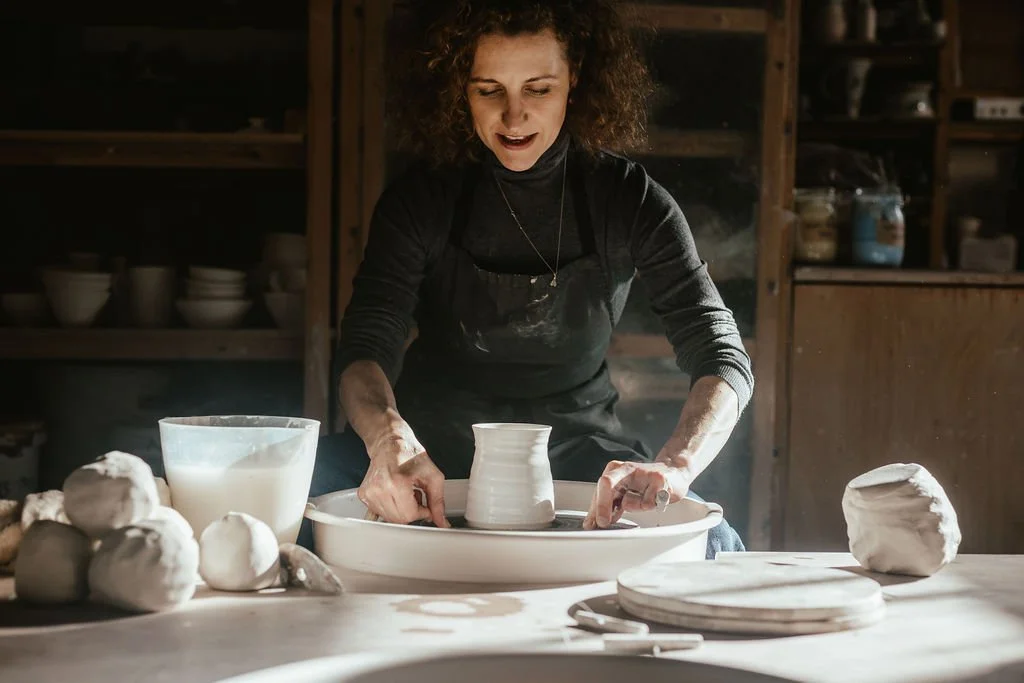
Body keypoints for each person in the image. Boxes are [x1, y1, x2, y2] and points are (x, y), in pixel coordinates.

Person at [306, 0, 754, 557]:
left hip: (578, 453)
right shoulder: (420, 201)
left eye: (538, 89)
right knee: (297, 497)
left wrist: (676, 467)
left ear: (577, 81)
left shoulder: (631, 201)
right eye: (488, 89)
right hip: (429, 450)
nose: (513, 118)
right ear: (457, 89)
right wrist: (387, 438)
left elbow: (722, 354)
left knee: (715, 544)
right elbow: (362, 349)